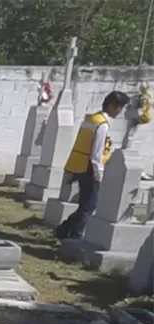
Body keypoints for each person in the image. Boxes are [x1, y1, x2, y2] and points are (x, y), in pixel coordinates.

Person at [56, 91, 131, 240]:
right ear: (111, 106)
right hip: (89, 168)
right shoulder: (102, 124)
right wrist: (99, 174)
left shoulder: (92, 119)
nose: (120, 111)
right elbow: (97, 151)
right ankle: (75, 235)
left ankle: (64, 230)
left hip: (78, 164)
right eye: (120, 107)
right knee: (89, 206)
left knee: (85, 205)